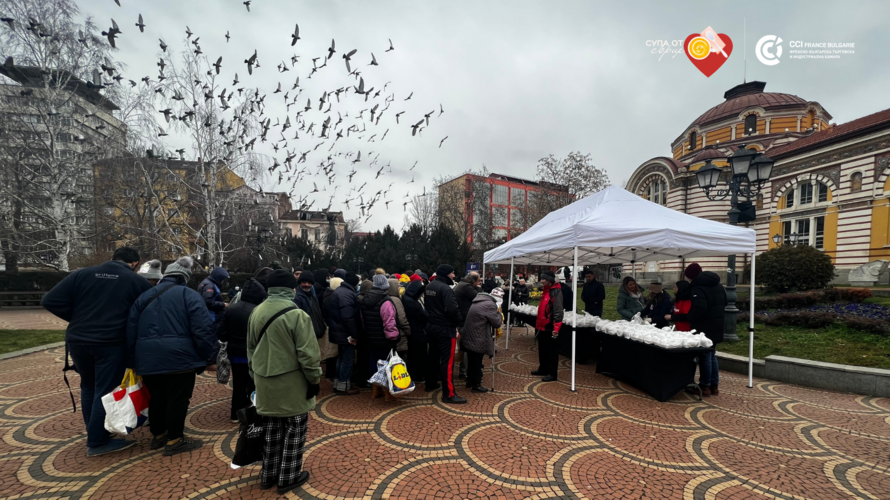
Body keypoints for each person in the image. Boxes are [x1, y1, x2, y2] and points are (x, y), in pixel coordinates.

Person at [41, 247, 152, 456]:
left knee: (88, 386)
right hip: (110, 343)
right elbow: (147, 310)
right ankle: (97, 441)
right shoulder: (135, 281)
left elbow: (49, 300)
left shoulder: (82, 274)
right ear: (135, 264)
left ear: (112, 258)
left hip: (78, 341)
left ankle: (95, 431)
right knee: (105, 390)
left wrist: (76, 318)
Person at [127, 256, 216, 456]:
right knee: (178, 399)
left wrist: (133, 359)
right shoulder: (189, 295)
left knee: (156, 397)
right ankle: (175, 439)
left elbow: (131, 329)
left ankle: (158, 435)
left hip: (147, 358)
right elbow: (203, 330)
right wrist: (206, 357)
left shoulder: (144, 297)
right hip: (180, 359)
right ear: (184, 277)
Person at [247, 269, 321, 494]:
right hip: (292, 382)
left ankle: (268, 474)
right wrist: (314, 379)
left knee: (271, 429)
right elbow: (308, 354)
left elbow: (250, 349)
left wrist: (255, 375)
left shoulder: (257, 311)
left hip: (264, 379)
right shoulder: (297, 315)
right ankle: (288, 477)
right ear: (292, 289)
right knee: (295, 429)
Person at [665, 263, 726, 396]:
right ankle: (714, 385)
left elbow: (699, 309)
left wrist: (688, 318)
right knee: (712, 354)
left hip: (704, 327)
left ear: (690, 276)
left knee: (704, 356)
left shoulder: (698, 288)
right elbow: (725, 302)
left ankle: (705, 386)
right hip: (717, 325)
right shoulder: (719, 285)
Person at [218, 274, 268, 421]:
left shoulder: (231, 309)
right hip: (253, 354)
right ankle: (252, 413)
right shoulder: (259, 311)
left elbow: (221, 333)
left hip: (234, 354)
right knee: (253, 384)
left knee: (238, 384)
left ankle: (236, 414)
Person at [424, 264, 466, 404]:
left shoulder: (429, 286)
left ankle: (430, 384)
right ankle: (449, 394)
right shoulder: (446, 289)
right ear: (446, 274)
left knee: (432, 357)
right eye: (452, 273)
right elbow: (452, 310)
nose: (454, 276)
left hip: (432, 327)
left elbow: (427, 306)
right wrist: (458, 321)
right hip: (445, 329)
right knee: (447, 362)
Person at [359, 274, 400, 401]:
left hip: (370, 338)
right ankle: (388, 393)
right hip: (384, 339)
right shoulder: (386, 301)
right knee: (387, 365)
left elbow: (363, 321)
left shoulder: (365, 299)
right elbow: (389, 323)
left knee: (374, 363)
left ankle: (376, 391)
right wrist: (393, 337)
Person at [460, 285, 502, 393]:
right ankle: (476, 385)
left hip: (470, 335)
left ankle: (470, 381)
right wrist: (499, 312)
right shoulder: (489, 305)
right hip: (477, 337)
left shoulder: (478, 301)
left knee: (471, 360)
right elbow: (497, 323)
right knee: (477, 362)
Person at [327, 272, 362, 395]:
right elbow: (348, 317)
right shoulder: (347, 294)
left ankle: (338, 384)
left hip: (339, 331)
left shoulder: (339, 291)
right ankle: (344, 386)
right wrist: (355, 334)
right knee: (347, 359)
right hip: (345, 332)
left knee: (341, 358)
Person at [533, 270, 563, 382]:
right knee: (542, 349)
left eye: (543, 279)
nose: (542, 281)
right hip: (542, 325)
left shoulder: (556, 292)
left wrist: (556, 327)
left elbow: (558, 310)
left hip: (550, 326)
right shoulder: (546, 290)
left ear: (549, 280)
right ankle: (543, 368)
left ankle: (552, 373)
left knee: (551, 351)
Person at [453, 272, 480, 380]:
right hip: (464, 321)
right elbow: (479, 296)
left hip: (460, 320)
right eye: (479, 280)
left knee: (462, 346)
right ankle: (465, 371)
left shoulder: (461, 284)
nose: (480, 282)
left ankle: (463, 371)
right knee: (466, 347)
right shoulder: (467, 287)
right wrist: (478, 288)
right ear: (473, 280)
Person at [402, 279, 428, 383]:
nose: (421, 295)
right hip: (417, 332)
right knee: (419, 355)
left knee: (413, 355)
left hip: (413, 331)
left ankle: (414, 374)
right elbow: (423, 317)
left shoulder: (406, 299)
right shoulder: (413, 303)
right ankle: (418, 375)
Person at [197, 266, 230, 332]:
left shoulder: (206, 283)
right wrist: (223, 305)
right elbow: (207, 301)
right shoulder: (210, 286)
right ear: (219, 277)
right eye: (223, 279)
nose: (223, 281)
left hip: (206, 317)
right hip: (211, 318)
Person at [387, 278, 411, 358]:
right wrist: (408, 331)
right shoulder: (396, 300)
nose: (400, 288)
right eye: (398, 286)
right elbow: (402, 319)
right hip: (399, 335)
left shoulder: (386, 298)